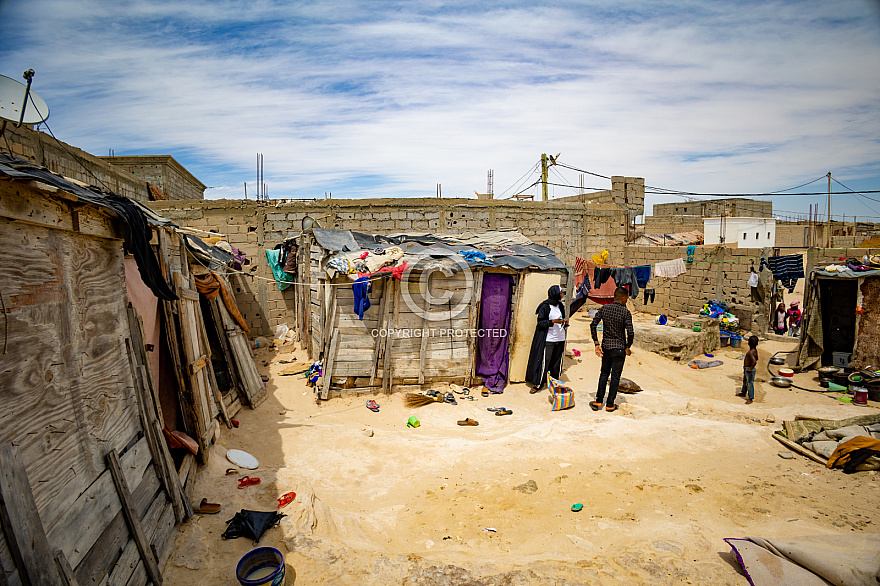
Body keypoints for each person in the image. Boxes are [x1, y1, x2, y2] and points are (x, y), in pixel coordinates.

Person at [590, 287, 634, 413]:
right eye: (627, 298)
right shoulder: (625, 313)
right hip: (619, 349)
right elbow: (630, 332)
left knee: (604, 373)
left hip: (606, 348)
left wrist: (596, 343)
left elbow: (593, 325)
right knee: (615, 376)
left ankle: (598, 401)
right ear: (623, 297)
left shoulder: (605, 308)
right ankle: (610, 404)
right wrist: (627, 347)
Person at [525, 285, 569, 392]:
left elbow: (562, 318)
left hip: (560, 338)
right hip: (549, 338)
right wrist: (553, 322)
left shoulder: (560, 306)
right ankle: (538, 383)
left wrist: (564, 322)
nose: (562, 295)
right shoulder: (545, 306)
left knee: (556, 362)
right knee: (545, 361)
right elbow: (540, 322)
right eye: (561, 293)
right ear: (555, 293)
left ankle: (554, 382)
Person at [737, 335, 759, 404]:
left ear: (749, 343)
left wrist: (750, 368)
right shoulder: (755, 351)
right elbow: (757, 358)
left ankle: (751, 397)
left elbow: (754, 361)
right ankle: (743, 392)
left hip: (749, 369)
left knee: (749, 383)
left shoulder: (750, 352)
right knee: (745, 381)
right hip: (748, 369)